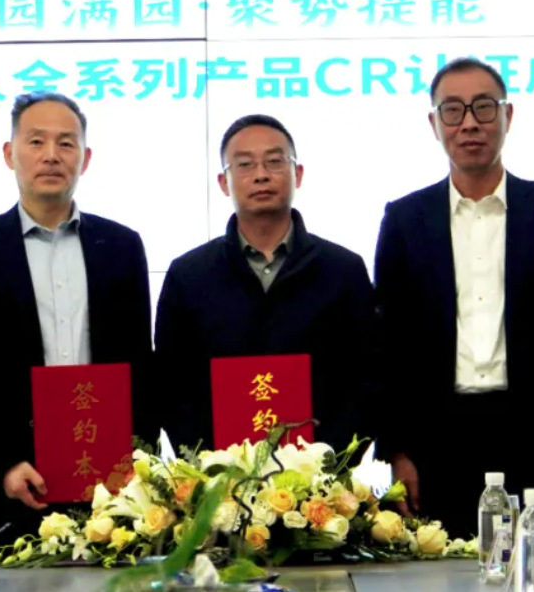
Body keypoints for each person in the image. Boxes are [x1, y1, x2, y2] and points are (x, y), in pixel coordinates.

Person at [374, 57, 534, 537]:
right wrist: (396, 449)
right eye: (452, 110)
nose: (469, 123)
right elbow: (390, 345)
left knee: (532, 565)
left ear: (507, 116)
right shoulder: (405, 219)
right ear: (434, 124)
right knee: (436, 567)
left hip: (532, 435)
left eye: (483, 107)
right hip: (435, 439)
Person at [0, 93, 154, 533]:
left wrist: (138, 463)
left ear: (86, 158)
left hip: (110, 491)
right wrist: (1, 464)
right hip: (14, 487)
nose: (52, 155)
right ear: (9, 153)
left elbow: (140, 364)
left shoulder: (121, 246)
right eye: (36, 141)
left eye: (66, 143)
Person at [155, 114, 377, 454]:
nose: (261, 175)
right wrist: (213, 466)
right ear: (224, 182)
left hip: (323, 476)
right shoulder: (188, 275)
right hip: (217, 475)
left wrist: (326, 464)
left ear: (297, 174)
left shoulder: (343, 270)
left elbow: (365, 378)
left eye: (274, 161)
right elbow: (173, 385)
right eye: (244, 164)